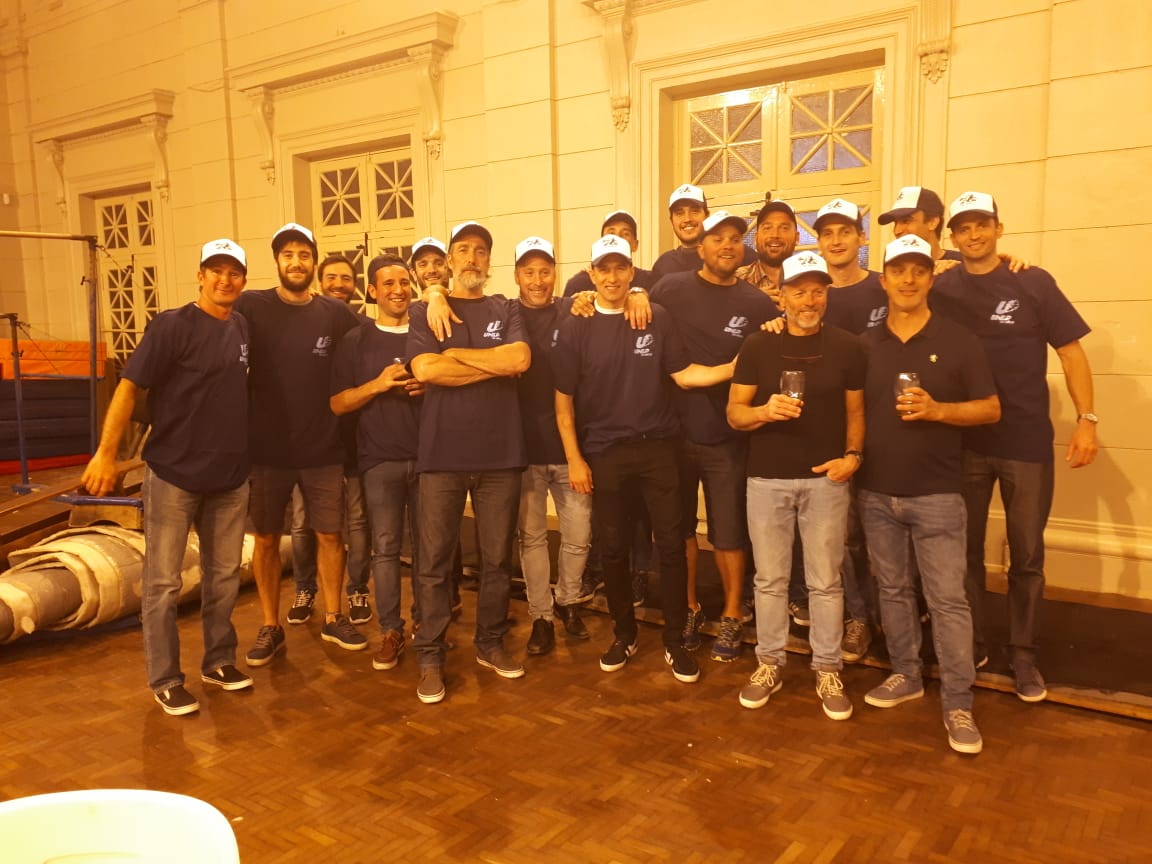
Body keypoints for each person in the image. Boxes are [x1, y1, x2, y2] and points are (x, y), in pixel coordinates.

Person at [933, 191, 1098, 701]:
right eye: (964, 228)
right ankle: (973, 644)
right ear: (953, 237)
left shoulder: (1032, 281)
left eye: (982, 224)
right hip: (965, 442)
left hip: (1026, 441)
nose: (974, 234)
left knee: (1026, 555)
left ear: (999, 228)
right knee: (963, 553)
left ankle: (1024, 654)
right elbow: (897, 288)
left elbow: (1071, 353)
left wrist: (1087, 420)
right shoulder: (942, 287)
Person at [552, 234, 736, 684]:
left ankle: (674, 640)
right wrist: (574, 459)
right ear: (591, 274)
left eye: (621, 268)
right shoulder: (577, 323)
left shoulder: (656, 316)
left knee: (670, 547)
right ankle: (624, 634)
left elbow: (684, 375)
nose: (613, 277)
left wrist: (737, 366)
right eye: (604, 269)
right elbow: (563, 403)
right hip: (604, 452)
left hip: (659, 448)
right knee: (614, 549)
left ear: (632, 272)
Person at [81, 239, 253, 715]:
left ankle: (218, 661)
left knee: (224, 576)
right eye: (216, 270)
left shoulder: (241, 326)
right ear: (200, 275)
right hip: (175, 475)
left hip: (230, 477)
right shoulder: (172, 326)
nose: (225, 280)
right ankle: (165, 678)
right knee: (163, 583)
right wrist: (105, 454)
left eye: (234, 272)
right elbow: (128, 387)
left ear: (243, 280)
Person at [857, 234, 1001, 755]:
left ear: (931, 278)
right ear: (884, 280)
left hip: (938, 494)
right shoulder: (864, 344)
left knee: (947, 600)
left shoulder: (959, 339)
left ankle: (959, 702)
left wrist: (939, 410)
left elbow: (990, 408)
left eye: (919, 270)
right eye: (899, 270)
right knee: (893, 591)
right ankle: (907, 674)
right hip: (875, 493)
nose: (909, 279)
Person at [728, 250, 864, 719]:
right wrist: (765, 411)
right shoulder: (756, 346)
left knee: (825, 581)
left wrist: (853, 457)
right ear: (781, 296)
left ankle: (827, 668)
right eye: (800, 291)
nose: (810, 300)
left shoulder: (847, 346)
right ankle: (769, 663)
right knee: (770, 580)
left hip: (826, 479)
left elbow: (856, 411)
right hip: (767, 480)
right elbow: (735, 414)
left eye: (817, 291)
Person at [407, 221, 532, 704]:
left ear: (488, 259)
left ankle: (490, 642)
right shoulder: (425, 310)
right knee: (435, 563)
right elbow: (425, 368)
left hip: (501, 456)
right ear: (450, 260)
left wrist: (456, 355)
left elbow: (518, 361)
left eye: (481, 250)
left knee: (497, 560)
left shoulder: (507, 307)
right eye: (463, 249)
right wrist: (488, 363)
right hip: (442, 456)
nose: (472, 258)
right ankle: (430, 654)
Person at [234, 222, 364, 666]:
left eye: (303, 255)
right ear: (277, 261)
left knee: (330, 535)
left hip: (322, 449)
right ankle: (270, 626)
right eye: (287, 254)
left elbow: (375, 333)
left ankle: (333, 616)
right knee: (267, 540)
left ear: (313, 262)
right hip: (266, 452)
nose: (295, 262)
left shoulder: (334, 312)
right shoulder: (251, 306)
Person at [649, 210, 777, 661]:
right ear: (699, 247)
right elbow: (634, 309)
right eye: (717, 238)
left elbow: (774, 351)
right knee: (679, 528)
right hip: (672, 434)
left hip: (728, 439)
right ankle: (689, 608)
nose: (727, 245)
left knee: (728, 531)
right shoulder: (670, 289)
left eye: (735, 238)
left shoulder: (757, 303)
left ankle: (731, 613)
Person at [330, 254, 424, 672]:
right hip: (379, 460)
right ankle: (390, 631)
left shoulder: (428, 332)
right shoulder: (356, 340)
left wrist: (430, 386)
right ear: (372, 291)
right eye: (388, 283)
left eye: (404, 282)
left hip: (430, 459)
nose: (398, 290)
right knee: (386, 549)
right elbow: (337, 403)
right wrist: (378, 384)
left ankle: (426, 624)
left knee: (430, 549)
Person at [512, 237, 593, 654]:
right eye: (529, 272)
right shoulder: (505, 314)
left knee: (579, 535)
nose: (538, 280)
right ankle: (541, 616)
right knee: (532, 539)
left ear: (555, 273)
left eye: (545, 271)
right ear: (517, 276)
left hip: (570, 448)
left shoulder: (573, 309)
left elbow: (613, 294)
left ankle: (568, 600)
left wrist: (635, 292)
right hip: (523, 450)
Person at [287, 254, 373, 626]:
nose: (339, 284)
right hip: (308, 444)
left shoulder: (366, 328)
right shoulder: (300, 325)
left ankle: (357, 590)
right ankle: (305, 588)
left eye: (346, 278)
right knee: (302, 523)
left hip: (353, 441)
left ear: (357, 286)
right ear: (319, 282)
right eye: (332, 277)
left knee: (357, 521)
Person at [650, 183, 756, 282]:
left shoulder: (737, 254)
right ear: (671, 221)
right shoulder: (664, 264)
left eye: (694, 211)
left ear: (706, 215)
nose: (687, 219)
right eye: (679, 213)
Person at [563, 210, 654, 297]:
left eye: (625, 234)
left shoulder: (650, 281)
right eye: (611, 233)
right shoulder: (579, 284)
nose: (617, 238)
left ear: (635, 244)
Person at [735, 195, 800, 309]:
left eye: (784, 228)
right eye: (767, 228)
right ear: (756, 238)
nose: (774, 235)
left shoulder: (812, 279)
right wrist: (750, 303)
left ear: (797, 238)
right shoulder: (736, 280)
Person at [877, 186, 962, 263]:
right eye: (895, 222)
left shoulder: (962, 265)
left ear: (932, 222)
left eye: (906, 221)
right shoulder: (893, 264)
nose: (897, 231)